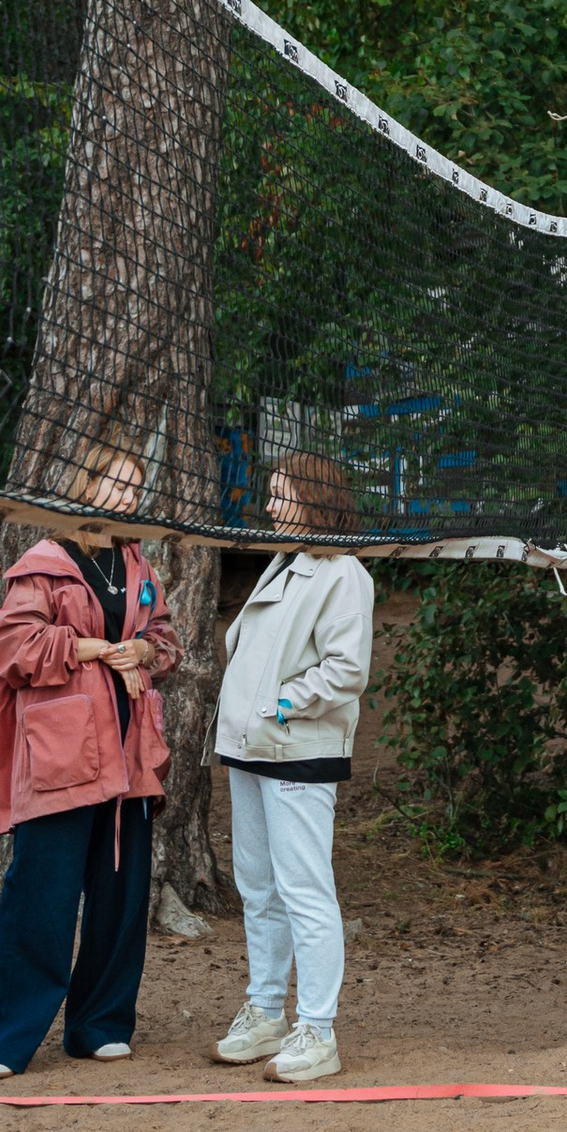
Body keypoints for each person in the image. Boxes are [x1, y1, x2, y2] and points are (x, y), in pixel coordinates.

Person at [0, 527, 179, 1075]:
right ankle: (7, 1038)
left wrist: (144, 650)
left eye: (132, 487)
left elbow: (164, 639)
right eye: (115, 484)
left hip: (130, 755)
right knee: (42, 896)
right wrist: (93, 649)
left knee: (121, 895)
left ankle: (100, 1025)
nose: (125, 494)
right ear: (83, 488)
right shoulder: (43, 564)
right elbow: (8, 647)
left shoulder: (136, 563)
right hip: (62, 754)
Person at [209, 450, 376, 1085]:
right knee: (258, 886)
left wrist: (281, 705)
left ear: (316, 499)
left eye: (282, 494)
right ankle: (266, 1011)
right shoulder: (284, 559)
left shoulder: (344, 573)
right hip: (250, 749)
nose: (271, 505)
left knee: (305, 890)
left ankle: (319, 1030)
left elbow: (346, 670)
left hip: (297, 751)